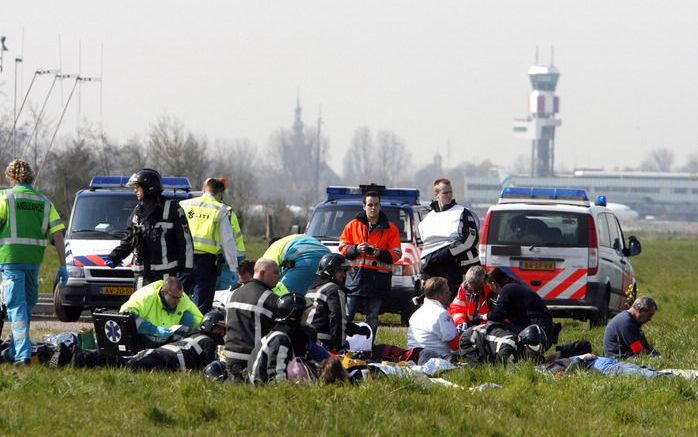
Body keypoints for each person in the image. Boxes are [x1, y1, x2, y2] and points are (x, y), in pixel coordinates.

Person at [0, 159, 67, 366]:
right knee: (26, 308)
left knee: (16, 308)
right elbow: (58, 236)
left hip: (10, 260)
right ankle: (14, 351)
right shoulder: (44, 202)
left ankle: (22, 355)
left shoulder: (5, 198)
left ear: (10, 177)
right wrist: (63, 265)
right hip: (33, 262)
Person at [108, 168, 194, 289]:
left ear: (148, 187)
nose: (135, 191)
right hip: (142, 274)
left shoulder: (172, 209)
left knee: (163, 306)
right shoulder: (138, 211)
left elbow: (185, 240)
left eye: (137, 187)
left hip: (166, 275)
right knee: (141, 307)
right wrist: (115, 256)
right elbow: (129, 237)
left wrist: (186, 268)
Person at [339, 190, 402, 335]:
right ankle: (342, 346)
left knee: (372, 318)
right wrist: (356, 248)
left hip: (377, 280)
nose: (373, 208)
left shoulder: (391, 228)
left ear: (380, 206)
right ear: (364, 206)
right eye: (370, 205)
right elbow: (342, 247)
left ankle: (368, 349)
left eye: (376, 204)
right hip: (355, 279)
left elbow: (396, 254)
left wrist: (378, 253)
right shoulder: (352, 225)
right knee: (347, 317)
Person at [179, 178, 238, 313]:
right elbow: (227, 240)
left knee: (176, 294)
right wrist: (234, 267)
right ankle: (199, 331)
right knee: (202, 301)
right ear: (220, 193)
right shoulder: (220, 209)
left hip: (183, 258)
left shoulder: (184, 204)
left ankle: (172, 325)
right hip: (205, 262)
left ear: (203, 189)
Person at [418, 178, 480, 296]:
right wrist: (423, 274)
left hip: (455, 266)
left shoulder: (463, 213)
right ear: (436, 195)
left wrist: (446, 253)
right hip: (433, 267)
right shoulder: (428, 218)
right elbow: (425, 247)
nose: (449, 195)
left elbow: (470, 239)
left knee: (451, 300)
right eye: (445, 192)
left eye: (450, 192)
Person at [223, 258, 280, 382]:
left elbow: (227, 324)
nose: (279, 276)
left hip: (230, 358)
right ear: (262, 273)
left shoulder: (233, 294)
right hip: (253, 360)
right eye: (275, 272)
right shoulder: (270, 299)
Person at [305, 253, 371, 352]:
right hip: (323, 344)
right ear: (331, 270)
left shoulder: (312, 289)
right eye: (341, 271)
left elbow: (323, 318)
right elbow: (337, 318)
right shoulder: (333, 289)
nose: (344, 275)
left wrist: (356, 329)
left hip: (306, 340)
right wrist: (339, 347)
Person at [126, 308, 225, 372]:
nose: (222, 332)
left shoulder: (194, 334)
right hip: (168, 359)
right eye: (220, 328)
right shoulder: (209, 342)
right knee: (132, 366)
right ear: (210, 325)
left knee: (131, 363)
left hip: (160, 353)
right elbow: (211, 370)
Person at [247, 293, 314, 384]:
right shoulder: (281, 339)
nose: (306, 315)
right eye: (304, 312)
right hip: (265, 392)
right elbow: (277, 374)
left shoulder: (285, 334)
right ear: (295, 315)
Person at [120, 276, 203, 348]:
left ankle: (176, 347)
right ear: (163, 293)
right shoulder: (146, 296)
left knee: (188, 317)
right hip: (144, 338)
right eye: (174, 298)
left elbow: (198, 319)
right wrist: (154, 329)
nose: (178, 301)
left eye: (180, 297)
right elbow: (125, 315)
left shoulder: (181, 298)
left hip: (169, 340)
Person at [485, 267, 555, 342]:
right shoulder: (513, 286)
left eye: (489, 286)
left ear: (494, 284)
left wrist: (482, 316)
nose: (490, 289)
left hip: (538, 331)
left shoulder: (506, 290)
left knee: (495, 326)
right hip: (544, 329)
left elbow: (497, 315)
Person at [406, 277, 459, 364]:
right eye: (447, 292)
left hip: (413, 358)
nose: (450, 293)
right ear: (437, 296)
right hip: (438, 359)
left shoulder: (416, 314)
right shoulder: (441, 314)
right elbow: (455, 344)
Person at [262, 234, 330, 296]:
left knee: (282, 298)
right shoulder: (289, 240)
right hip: (328, 259)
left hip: (307, 262)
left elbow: (265, 278)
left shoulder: (270, 252)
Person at [212, 177, 247, 290]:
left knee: (223, 289)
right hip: (233, 255)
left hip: (228, 257)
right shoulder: (226, 210)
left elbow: (226, 237)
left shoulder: (222, 211)